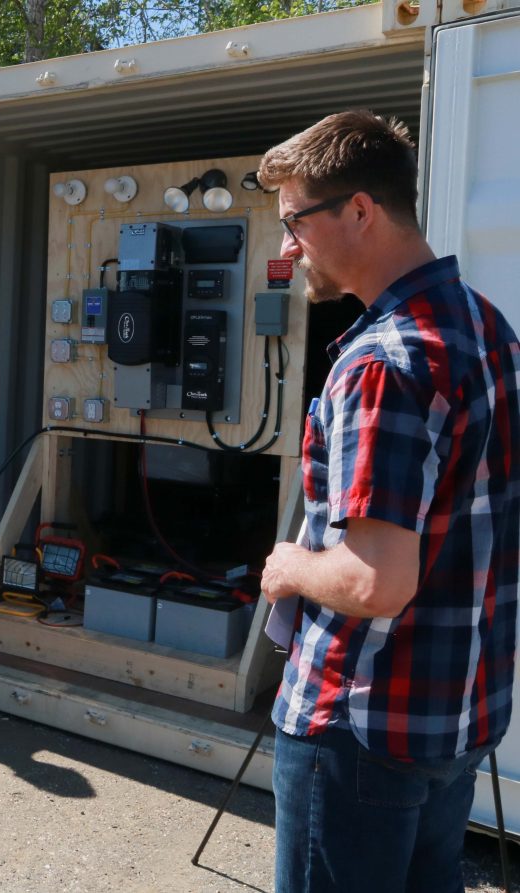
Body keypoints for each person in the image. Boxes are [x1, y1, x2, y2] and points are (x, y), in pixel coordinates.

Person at [259, 110, 520, 893]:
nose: (286, 249)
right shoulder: (489, 328)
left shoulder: (383, 362)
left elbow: (378, 581)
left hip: (359, 727)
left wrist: (290, 567)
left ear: (360, 210)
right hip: (458, 722)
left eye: (294, 222)